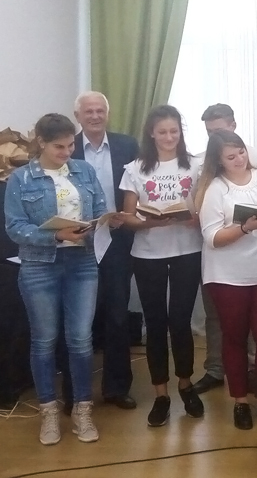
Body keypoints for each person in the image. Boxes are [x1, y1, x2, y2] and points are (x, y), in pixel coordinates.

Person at [5, 113, 123, 445]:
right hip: (38, 265)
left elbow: (99, 207)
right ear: (41, 143)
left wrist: (103, 221)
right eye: (60, 146)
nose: (67, 152)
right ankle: (48, 412)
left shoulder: (83, 170)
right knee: (44, 340)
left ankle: (82, 411)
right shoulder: (21, 179)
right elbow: (15, 227)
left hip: (82, 262)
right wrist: (56, 235)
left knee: (81, 339)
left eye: (71, 145)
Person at [119, 105, 204, 427]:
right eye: (162, 132)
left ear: (181, 132)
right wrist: (150, 222)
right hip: (148, 254)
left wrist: (194, 217)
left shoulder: (195, 165)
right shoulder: (135, 168)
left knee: (180, 321)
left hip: (187, 251)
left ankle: (186, 384)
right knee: (155, 324)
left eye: (174, 131)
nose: (169, 137)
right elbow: (128, 217)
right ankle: (161, 395)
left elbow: (205, 208)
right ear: (151, 134)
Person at [195, 130, 257, 430]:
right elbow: (212, 237)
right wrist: (246, 228)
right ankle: (240, 401)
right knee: (234, 338)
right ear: (218, 161)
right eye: (230, 156)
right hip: (227, 276)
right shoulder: (215, 188)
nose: (239, 160)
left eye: (241, 152)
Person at [69, 91, 139, 411]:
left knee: (117, 315)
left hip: (116, 240)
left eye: (100, 110)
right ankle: (75, 392)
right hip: (77, 241)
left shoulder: (127, 145)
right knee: (77, 319)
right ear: (78, 116)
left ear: (107, 114)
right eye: (89, 111)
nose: (95, 116)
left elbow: (138, 186)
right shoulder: (67, 147)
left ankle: (116, 388)